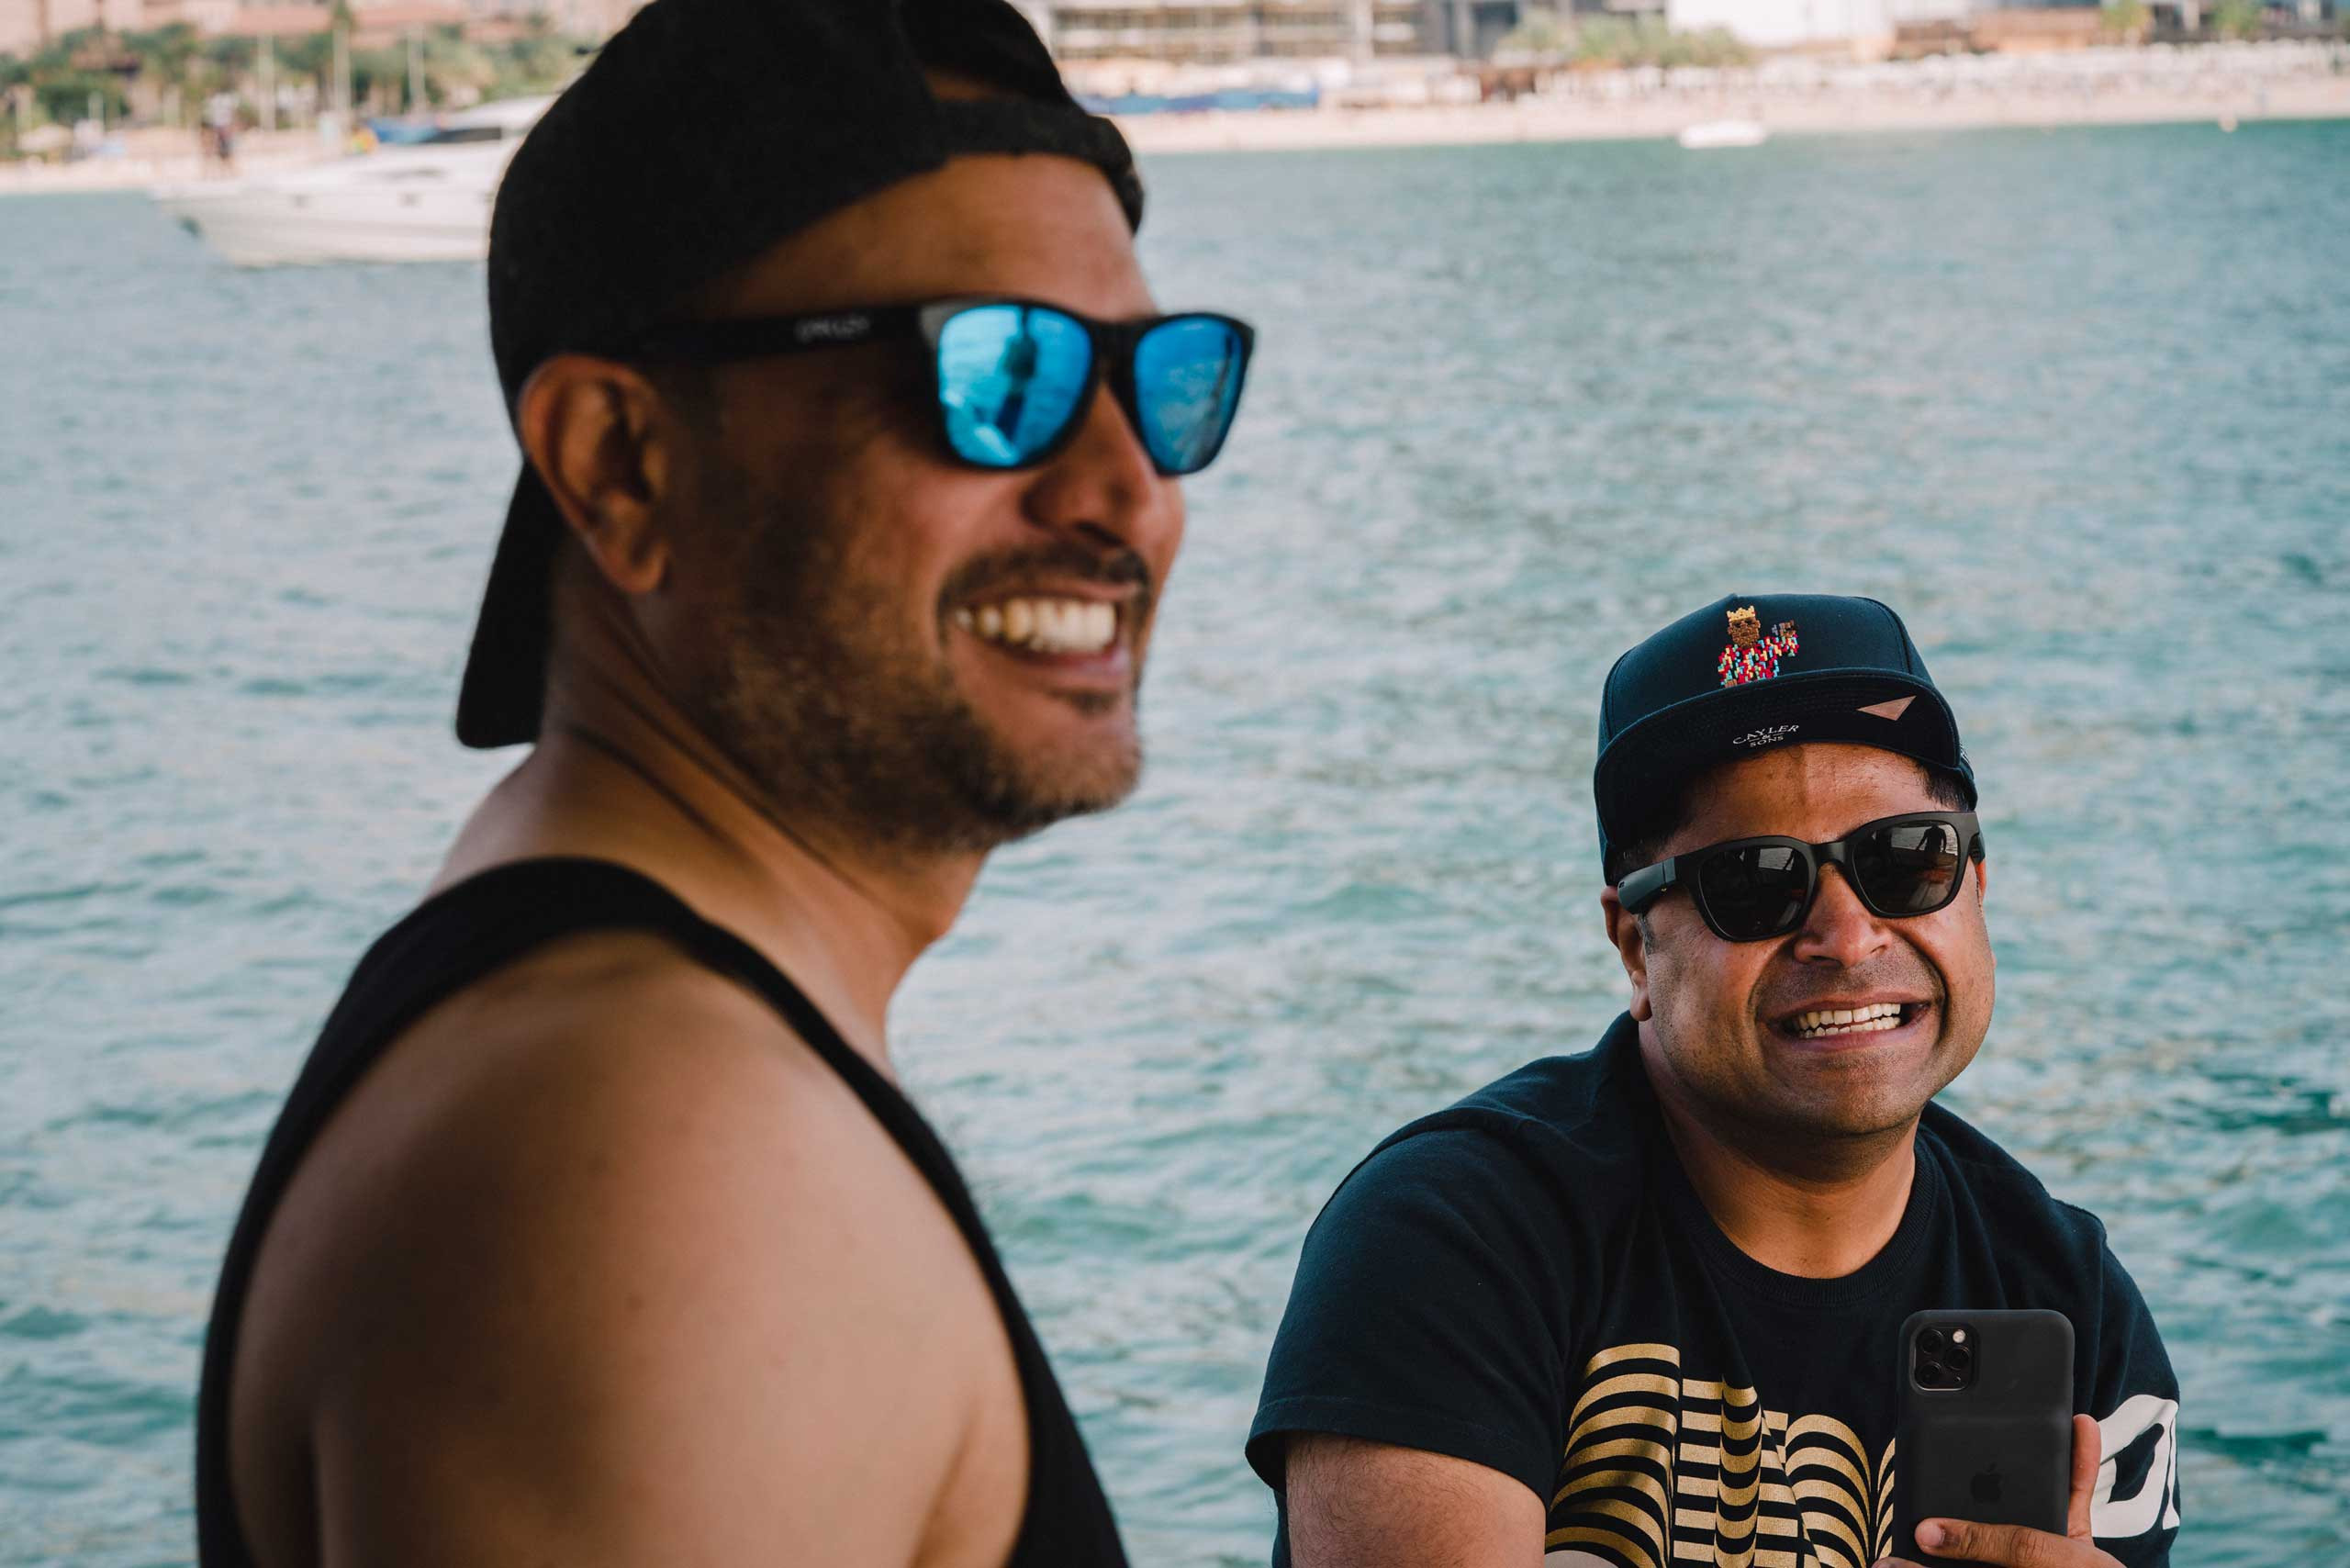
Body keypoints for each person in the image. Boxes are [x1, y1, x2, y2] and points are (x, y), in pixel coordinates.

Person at [193, 2, 1254, 1564]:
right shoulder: (670, 1167)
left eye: (1158, 381)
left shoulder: (571, 1007)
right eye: (996, 369)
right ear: (623, 464)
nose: (1126, 491)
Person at [1248, 594, 2182, 1568]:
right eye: (1752, 881)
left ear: (1975, 886)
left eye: (1905, 859)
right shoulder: (1452, 1234)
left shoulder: (2064, 1296)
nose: (1848, 936)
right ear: (1634, 949)